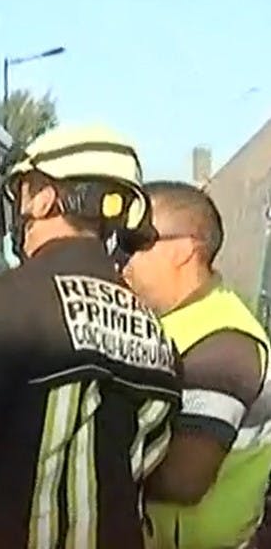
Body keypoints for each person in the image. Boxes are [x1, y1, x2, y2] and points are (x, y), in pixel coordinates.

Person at [0, 124, 183, 549]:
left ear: (45, 197)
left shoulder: (9, 300)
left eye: (22, 193)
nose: (19, 211)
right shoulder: (157, 334)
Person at [121, 181, 271, 549]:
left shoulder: (223, 344)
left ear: (184, 250)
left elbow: (183, 481)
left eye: (135, 243)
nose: (123, 259)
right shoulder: (175, 322)